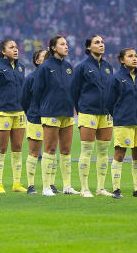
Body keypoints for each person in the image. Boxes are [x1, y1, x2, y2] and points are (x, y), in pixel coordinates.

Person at [70, 34, 116, 197]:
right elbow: (73, 91)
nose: (101, 45)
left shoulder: (108, 66)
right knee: (87, 151)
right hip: (88, 112)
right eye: (97, 42)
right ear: (89, 47)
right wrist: (80, 108)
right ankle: (84, 188)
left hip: (105, 113)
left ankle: (101, 188)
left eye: (102, 42)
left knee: (104, 152)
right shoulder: (82, 67)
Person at [33, 35, 78, 196]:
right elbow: (37, 91)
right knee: (50, 149)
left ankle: (67, 186)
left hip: (67, 112)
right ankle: (46, 187)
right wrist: (44, 107)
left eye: (66, 44)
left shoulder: (68, 66)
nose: (66, 46)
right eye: (62, 44)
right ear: (53, 48)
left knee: (66, 150)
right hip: (50, 112)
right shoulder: (45, 67)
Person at [108, 48, 137, 199]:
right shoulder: (116, 78)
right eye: (130, 56)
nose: (134, 58)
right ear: (122, 60)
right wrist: (119, 115)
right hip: (123, 121)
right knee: (120, 153)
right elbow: (110, 102)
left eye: (135, 56)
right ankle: (116, 189)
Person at [0, 39, 27, 194]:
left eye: (16, 47)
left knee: (17, 148)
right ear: (3, 51)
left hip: (19, 112)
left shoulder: (21, 67)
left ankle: (16, 183)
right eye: (11, 47)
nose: (15, 50)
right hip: (2, 112)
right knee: (2, 148)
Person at [21, 49, 49, 194]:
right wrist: (31, 113)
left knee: (50, 152)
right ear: (37, 61)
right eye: (44, 57)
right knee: (34, 152)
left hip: (52, 117)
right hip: (35, 118)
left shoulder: (53, 77)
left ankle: (49, 184)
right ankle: (31, 185)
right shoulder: (31, 78)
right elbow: (23, 99)